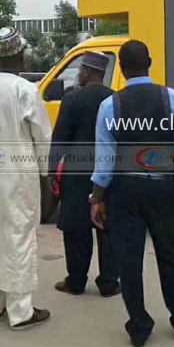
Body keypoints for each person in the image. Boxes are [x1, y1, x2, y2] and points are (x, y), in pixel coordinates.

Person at [91, 39, 174, 347]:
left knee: (129, 258)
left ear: (123, 69)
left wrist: (97, 197)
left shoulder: (110, 105)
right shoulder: (173, 99)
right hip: (163, 187)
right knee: (169, 252)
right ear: (150, 63)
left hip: (125, 191)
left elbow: (106, 158)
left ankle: (139, 326)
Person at [0, 28, 53, 331]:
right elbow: (42, 137)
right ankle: (20, 312)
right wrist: (45, 174)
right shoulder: (25, 90)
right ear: (20, 54)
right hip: (18, 176)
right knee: (18, 235)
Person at [49, 52, 120, 297]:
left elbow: (60, 138)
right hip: (108, 173)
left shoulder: (72, 98)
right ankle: (109, 283)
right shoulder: (115, 99)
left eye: (80, 70)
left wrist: (51, 172)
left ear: (87, 72)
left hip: (77, 173)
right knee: (107, 228)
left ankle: (76, 281)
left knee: (76, 229)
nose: (79, 75)